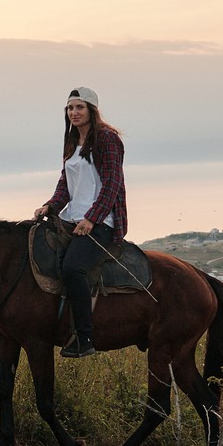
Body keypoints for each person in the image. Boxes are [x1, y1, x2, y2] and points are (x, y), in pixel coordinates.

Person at [35, 86, 128, 358]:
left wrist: (92, 218)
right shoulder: (72, 141)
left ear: (92, 110)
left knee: (73, 268)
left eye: (80, 107)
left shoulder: (108, 140)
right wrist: (51, 205)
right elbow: (66, 184)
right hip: (73, 218)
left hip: (101, 222)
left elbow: (112, 184)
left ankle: (84, 337)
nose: (74, 113)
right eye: (70, 108)